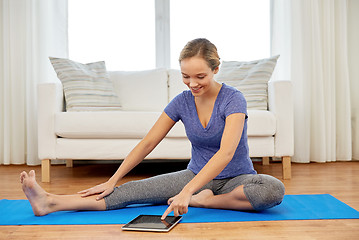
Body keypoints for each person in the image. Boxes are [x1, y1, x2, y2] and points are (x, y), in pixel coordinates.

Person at [20, 38, 285, 219]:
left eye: (200, 76)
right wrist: (113, 179)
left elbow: (226, 153)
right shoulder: (182, 102)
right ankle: (49, 202)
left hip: (238, 179)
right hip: (195, 174)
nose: (192, 83)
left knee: (272, 190)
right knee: (132, 191)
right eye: (186, 76)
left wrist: (189, 193)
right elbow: (147, 143)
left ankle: (206, 201)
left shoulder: (233, 98)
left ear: (216, 69)